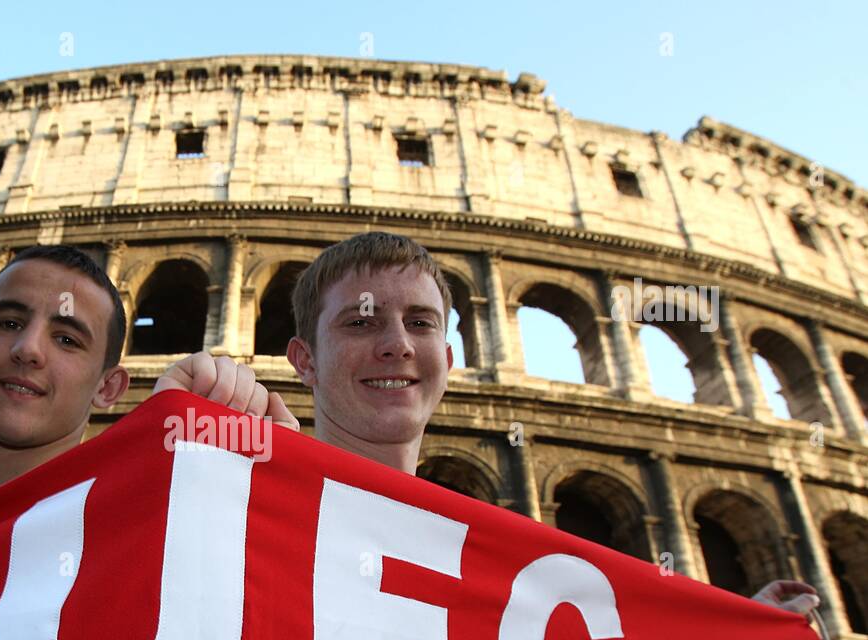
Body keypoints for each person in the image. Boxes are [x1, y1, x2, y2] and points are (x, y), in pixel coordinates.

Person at [280, 230, 821, 617]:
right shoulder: (247, 518)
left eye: (419, 323)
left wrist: (742, 633)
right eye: (360, 323)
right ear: (304, 360)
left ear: (447, 359)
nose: (396, 345)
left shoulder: (497, 575)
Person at [0, 244, 295, 530]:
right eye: (11, 323)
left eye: (67, 339)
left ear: (108, 387)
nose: (28, 349)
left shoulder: (130, 533)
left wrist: (235, 491)